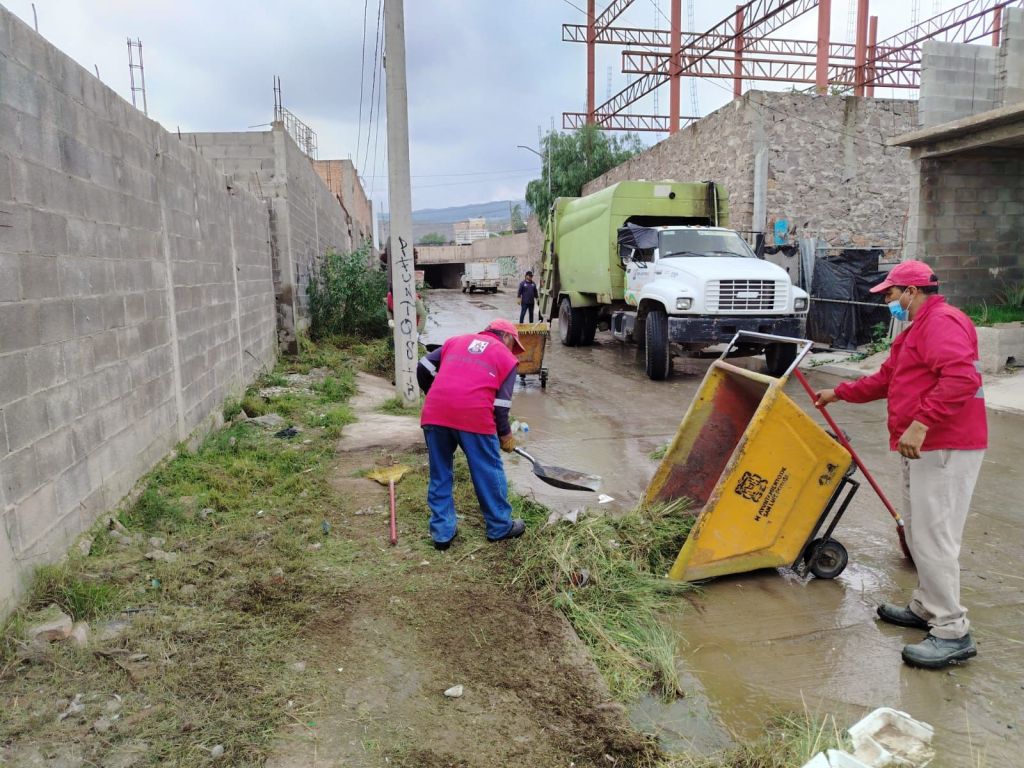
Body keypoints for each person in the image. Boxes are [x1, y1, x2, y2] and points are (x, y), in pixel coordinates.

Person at [814, 260, 987, 669]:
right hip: (924, 447)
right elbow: (886, 379)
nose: (888, 302)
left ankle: (952, 630)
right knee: (919, 533)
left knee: (934, 537)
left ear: (911, 291)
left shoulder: (942, 322)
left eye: (891, 294)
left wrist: (922, 423)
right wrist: (839, 392)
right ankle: (927, 606)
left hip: (945, 445)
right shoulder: (915, 330)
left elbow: (961, 379)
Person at [416, 319, 528, 550]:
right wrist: (505, 435)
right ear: (506, 337)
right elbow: (500, 407)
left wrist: (434, 394)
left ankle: (442, 534)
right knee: (488, 470)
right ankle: (499, 526)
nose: (512, 350)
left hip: (435, 413)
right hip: (474, 416)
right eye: (513, 344)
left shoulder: (455, 341)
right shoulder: (507, 358)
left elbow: (423, 366)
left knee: (440, 472)